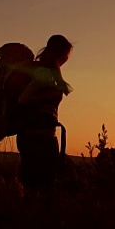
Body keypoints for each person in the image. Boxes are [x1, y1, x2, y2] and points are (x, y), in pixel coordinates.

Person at [15, 34, 73, 198]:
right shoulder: (43, 74)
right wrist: (52, 94)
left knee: (32, 185)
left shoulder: (46, 72)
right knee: (42, 186)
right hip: (39, 137)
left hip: (30, 135)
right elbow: (23, 99)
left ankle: (30, 217)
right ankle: (39, 219)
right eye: (66, 55)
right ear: (60, 54)